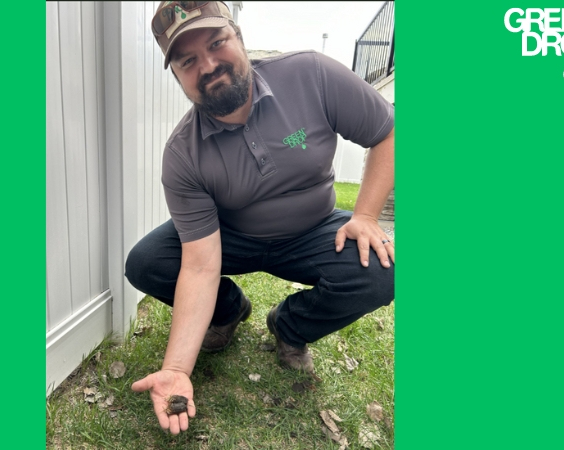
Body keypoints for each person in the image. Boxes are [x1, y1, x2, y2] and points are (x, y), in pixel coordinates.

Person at [128, 1, 394, 435]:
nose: (209, 65)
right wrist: (177, 367)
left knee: (382, 270)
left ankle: (289, 326)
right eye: (188, 60)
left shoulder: (311, 74)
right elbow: (199, 263)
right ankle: (227, 311)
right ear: (177, 75)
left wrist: (365, 214)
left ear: (240, 38)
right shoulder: (182, 154)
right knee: (147, 261)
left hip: (314, 228)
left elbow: (386, 131)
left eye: (217, 43)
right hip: (233, 237)